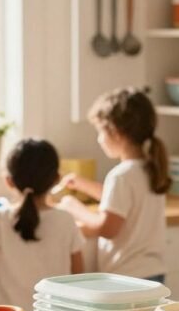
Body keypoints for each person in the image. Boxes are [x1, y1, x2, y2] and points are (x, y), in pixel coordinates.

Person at [59, 87, 170, 282]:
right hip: (153, 273)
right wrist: (83, 185)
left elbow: (107, 228)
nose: (99, 139)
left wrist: (73, 207)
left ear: (116, 132)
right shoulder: (150, 169)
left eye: (100, 132)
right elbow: (123, 202)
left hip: (127, 279)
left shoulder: (121, 176)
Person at [0, 138, 84, 311]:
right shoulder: (66, 220)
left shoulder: (2, 218)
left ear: (8, 181)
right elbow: (80, 277)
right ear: (57, 179)